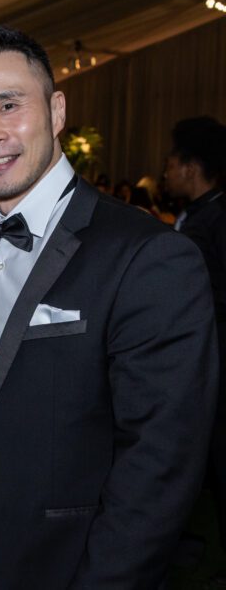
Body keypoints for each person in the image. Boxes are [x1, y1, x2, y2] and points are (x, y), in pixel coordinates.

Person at [0, 25, 217, 589]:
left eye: (9, 104)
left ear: (56, 109)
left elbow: (159, 468)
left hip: (61, 569)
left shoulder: (148, 256)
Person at [163, 115, 226, 555]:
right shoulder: (197, 213)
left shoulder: (217, 218)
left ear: (189, 166)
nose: (166, 171)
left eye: (172, 163)